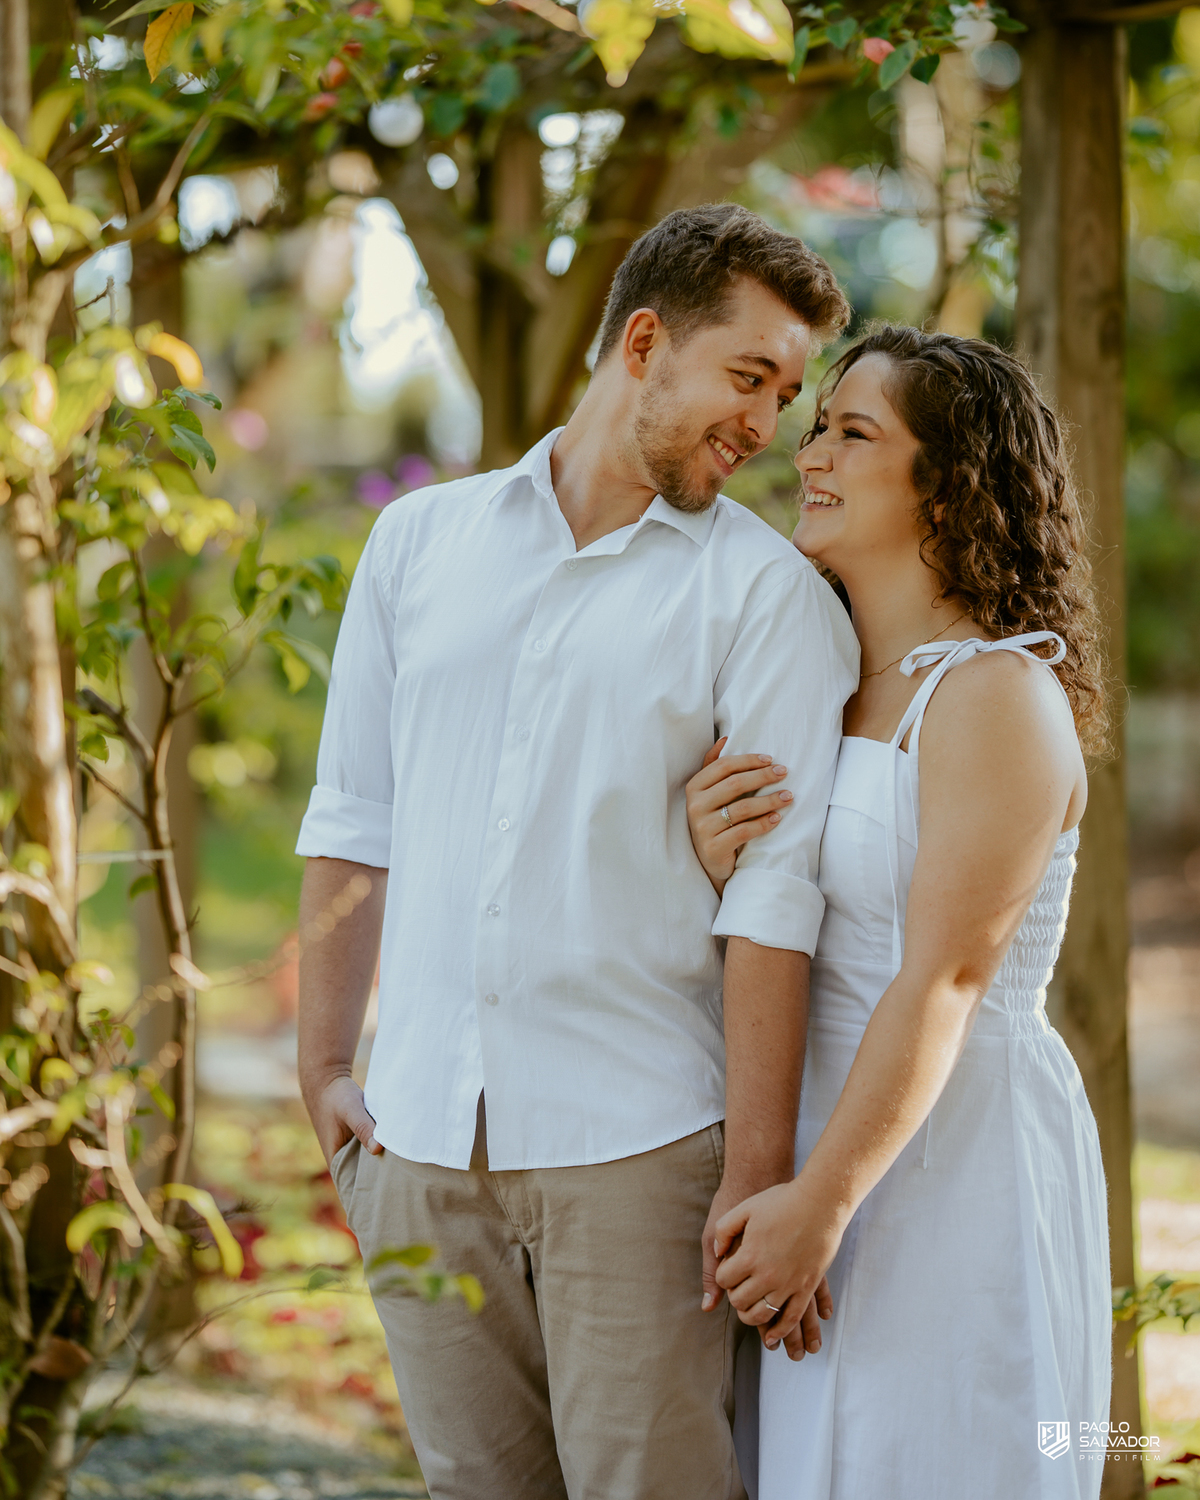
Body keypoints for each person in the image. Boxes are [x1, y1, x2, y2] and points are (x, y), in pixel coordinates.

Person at [294, 204, 860, 1500]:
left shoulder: (767, 597)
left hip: (643, 1149)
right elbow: (351, 814)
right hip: (422, 1142)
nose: (768, 425)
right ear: (644, 343)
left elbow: (778, 899)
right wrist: (327, 1065)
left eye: (786, 392)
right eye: (749, 377)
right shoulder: (417, 544)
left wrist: (760, 1182)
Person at [686, 326, 1112, 1499]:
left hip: (951, 1158)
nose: (808, 452)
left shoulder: (996, 693)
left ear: (951, 479)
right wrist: (716, 852)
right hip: (807, 1127)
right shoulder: (818, 676)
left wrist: (821, 1203)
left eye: (853, 432)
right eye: (817, 426)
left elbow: (948, 981)